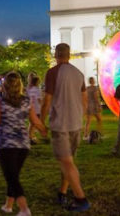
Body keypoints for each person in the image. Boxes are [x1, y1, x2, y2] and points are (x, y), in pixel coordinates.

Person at [0, 72, 47, 216]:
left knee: (12, 177)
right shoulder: (26, 101)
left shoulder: (1, 102)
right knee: (13, 175)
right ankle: (8, 205)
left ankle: (24, 209)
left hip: (7, 145)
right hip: (23, 145)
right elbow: (34, 121)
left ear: (5, 86)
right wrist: (44, 130)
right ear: (20, 86)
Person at [41, 43, 90, 212]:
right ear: (69, 55)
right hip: (75, 123)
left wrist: (41, 121)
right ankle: (62, 192)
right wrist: (82, 118)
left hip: (60, 124)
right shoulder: (79, 74)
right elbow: (84, 100)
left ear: (56, 54)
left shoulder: (53, 73)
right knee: (68, 161)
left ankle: (80, 198)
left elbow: (47, 100)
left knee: (66, 162)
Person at [26, 74, 42, 144]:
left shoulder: (30, 89)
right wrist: (42, 105)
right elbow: (39, 100)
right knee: (34, 124)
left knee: (32, 123)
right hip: (37, 109)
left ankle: (30, 136)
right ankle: (30, 137)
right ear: (37, 82)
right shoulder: (38, 90)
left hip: (30, 108)